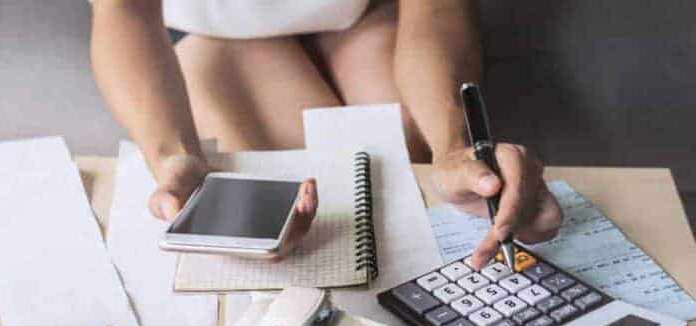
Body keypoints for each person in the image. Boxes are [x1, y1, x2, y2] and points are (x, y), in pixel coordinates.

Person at [90, 0, 562, 267]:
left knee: (404, 159)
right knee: (284, 194)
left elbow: (435, 8)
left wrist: (454, 147)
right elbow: (122, 11)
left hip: (365, 13)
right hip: (214, 26)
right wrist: (173, 156)